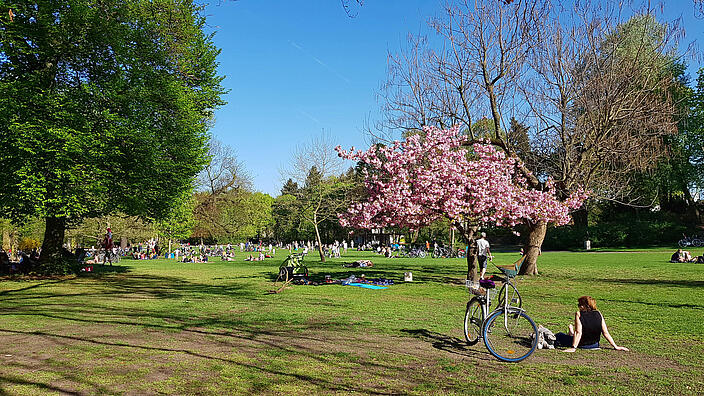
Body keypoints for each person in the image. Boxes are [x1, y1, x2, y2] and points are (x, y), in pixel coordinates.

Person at [555, 296, 629, 352]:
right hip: (595, 344)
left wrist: (573, 347)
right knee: (571, 335)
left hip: (582, 344)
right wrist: (615, 346)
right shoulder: (598, 313)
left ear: (585, 306)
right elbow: (605, 332)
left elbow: (578, 332)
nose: (579, 306)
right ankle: (571, 332)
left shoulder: (579, 314)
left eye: (580, 304)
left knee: (559, 335)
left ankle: (570, 333)